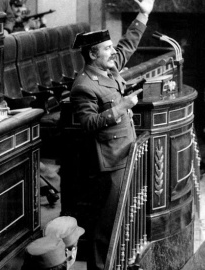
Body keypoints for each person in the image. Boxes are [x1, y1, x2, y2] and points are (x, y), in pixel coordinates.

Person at [69, 0, 155, 269]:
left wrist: (143, 15)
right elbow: (87, 123)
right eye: (107, 49)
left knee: (123, 219)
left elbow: (128, 44)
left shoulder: (109, 67)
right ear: (93, 54)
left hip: (124, 155)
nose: (112, 51)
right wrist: (121, 107)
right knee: (106, 226)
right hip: (109, 163)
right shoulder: (83, 86)